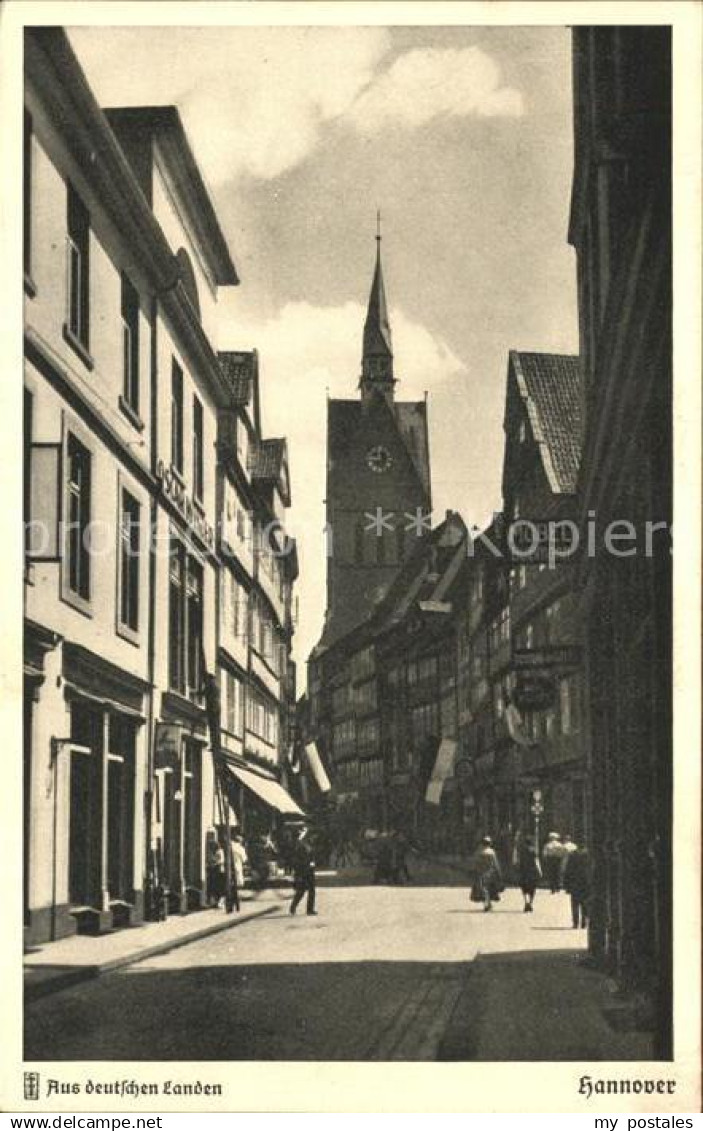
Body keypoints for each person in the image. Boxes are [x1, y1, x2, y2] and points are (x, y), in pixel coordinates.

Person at [470, 836, 503, 912]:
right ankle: (488, 904)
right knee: (489, 889)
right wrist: (499, 872)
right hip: (491, 873)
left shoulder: (478, 852)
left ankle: (487, 904)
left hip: (481, 873)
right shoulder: (492, 852)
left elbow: (475, 863)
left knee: (483, 889)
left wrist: (473, 870)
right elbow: (496, 864)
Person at [290, 827, 317, 916]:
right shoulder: (298, 844)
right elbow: (297, 859)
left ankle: (310, 909)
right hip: (302, 869)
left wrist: (312, 861)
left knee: (312, 889)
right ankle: (293, 906)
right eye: (303, 832)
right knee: (302, 890)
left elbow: (311, 854)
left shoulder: (306, 843)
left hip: (309, 869)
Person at [563, 842, 591, 928]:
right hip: (586, 881)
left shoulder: (573, 855)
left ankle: (575, 922)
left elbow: (568, 870)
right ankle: (584, 921)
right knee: (585, 903)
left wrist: (566, 884)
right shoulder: (589, 855)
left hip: (575, 881)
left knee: (575, 903)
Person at [518, 836, 542, 913]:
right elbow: (536, 861)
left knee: (524, 888)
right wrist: (540, 871)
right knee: (532, 888)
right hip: (532, 872)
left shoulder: (521, 851)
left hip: (523, 872)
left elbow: (518, 861)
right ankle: (530, 903)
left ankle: (526, 902)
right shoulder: (533, 851)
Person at [205, 829, 225, 908]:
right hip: (214, 869)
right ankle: (215, 901)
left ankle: (216, 901)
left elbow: (220, 860)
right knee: (214, 886)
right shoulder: (214, 849)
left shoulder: (217, 849)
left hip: (216, 869)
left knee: (215, 886)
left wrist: (213, 863)